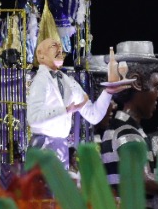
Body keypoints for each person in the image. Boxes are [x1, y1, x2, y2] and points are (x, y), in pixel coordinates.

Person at [96, 41, 158, 209]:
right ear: (136, 82)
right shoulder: (125, 129)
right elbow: (141, 178)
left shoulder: (121, 128)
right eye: (156, 86)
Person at [26, 37, 113, 172]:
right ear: (40, 54)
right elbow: (33, 118)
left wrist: (109, 91)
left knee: (60, 192)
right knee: (43, 192)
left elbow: (93, 115)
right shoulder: (40, 81)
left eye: (60, 46)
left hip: (61, 148)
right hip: (43, 147)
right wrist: (65, 110)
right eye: (53, 46)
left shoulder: (69, 82)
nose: (60, 49)